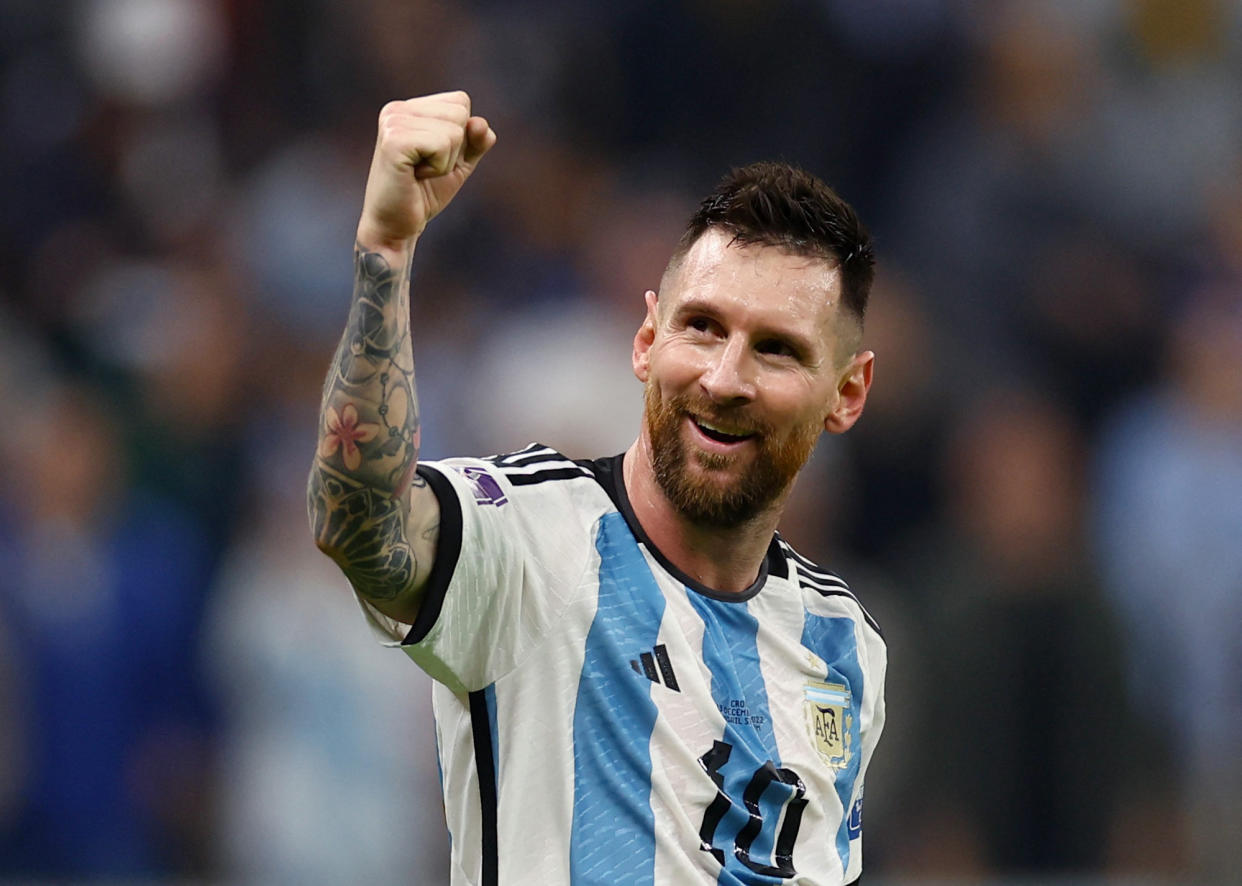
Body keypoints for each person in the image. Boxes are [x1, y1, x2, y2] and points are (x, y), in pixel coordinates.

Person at [308, 91, 886, 886]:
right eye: (703, 327)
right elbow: (358, 522)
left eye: (777, 350)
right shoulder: (529, 535)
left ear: (847, 394)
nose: (724, 378)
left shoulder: (843, 642)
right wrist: (387, 249)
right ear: (647, 339)